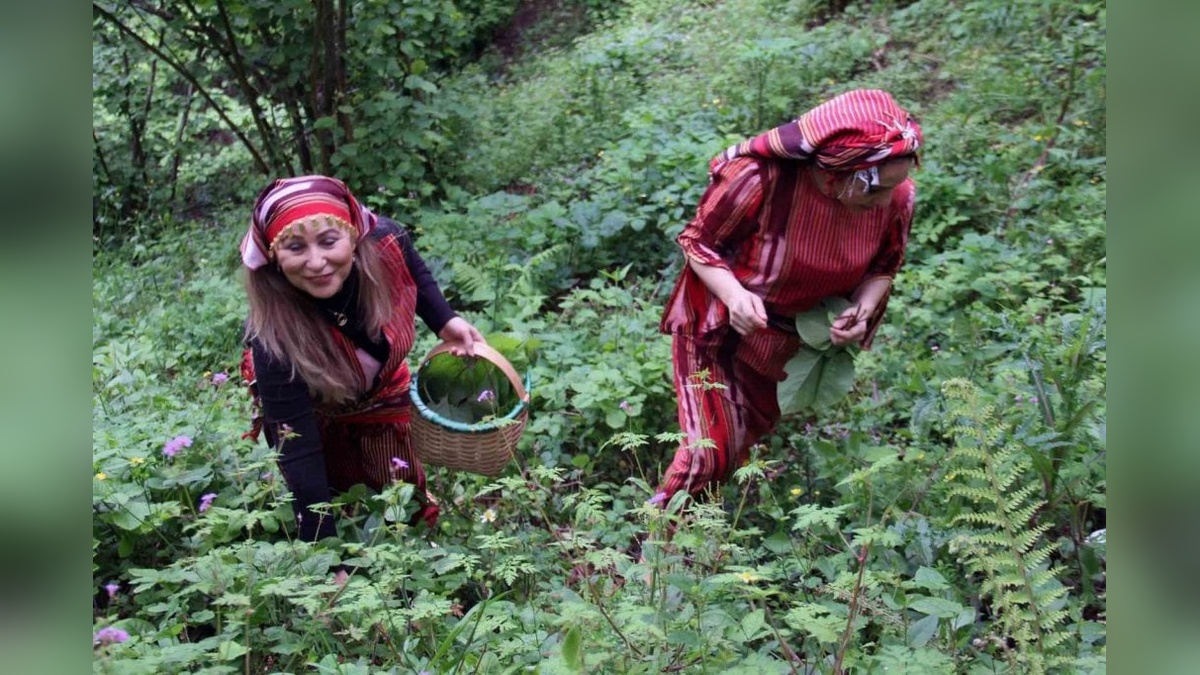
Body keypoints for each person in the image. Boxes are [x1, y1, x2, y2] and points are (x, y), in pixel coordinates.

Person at [656, 89, 923, 505]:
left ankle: (704, 531)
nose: (886, 201)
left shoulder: (897, 198)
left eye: (896, 185)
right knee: (708, 455)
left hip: (787, 345)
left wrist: (864, 307)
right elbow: (699, 244)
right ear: (836, 174)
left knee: (740, 440)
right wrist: (735, 295)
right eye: (875, 190)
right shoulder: (759, 179)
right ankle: (653, 552)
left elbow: (884, 265)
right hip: (719, 331)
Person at [238, 175, 485, 541]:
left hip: (382, 396)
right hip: (320, 415)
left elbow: (411, 265)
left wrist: (444, 319)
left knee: (405, 507)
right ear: (273, 256)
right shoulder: (272, 336)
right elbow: (298, 445)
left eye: (328, 241)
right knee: (338, 493)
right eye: (294, 248)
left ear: (353, 236)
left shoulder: (384, 243)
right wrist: (323, 550)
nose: (316, 262)